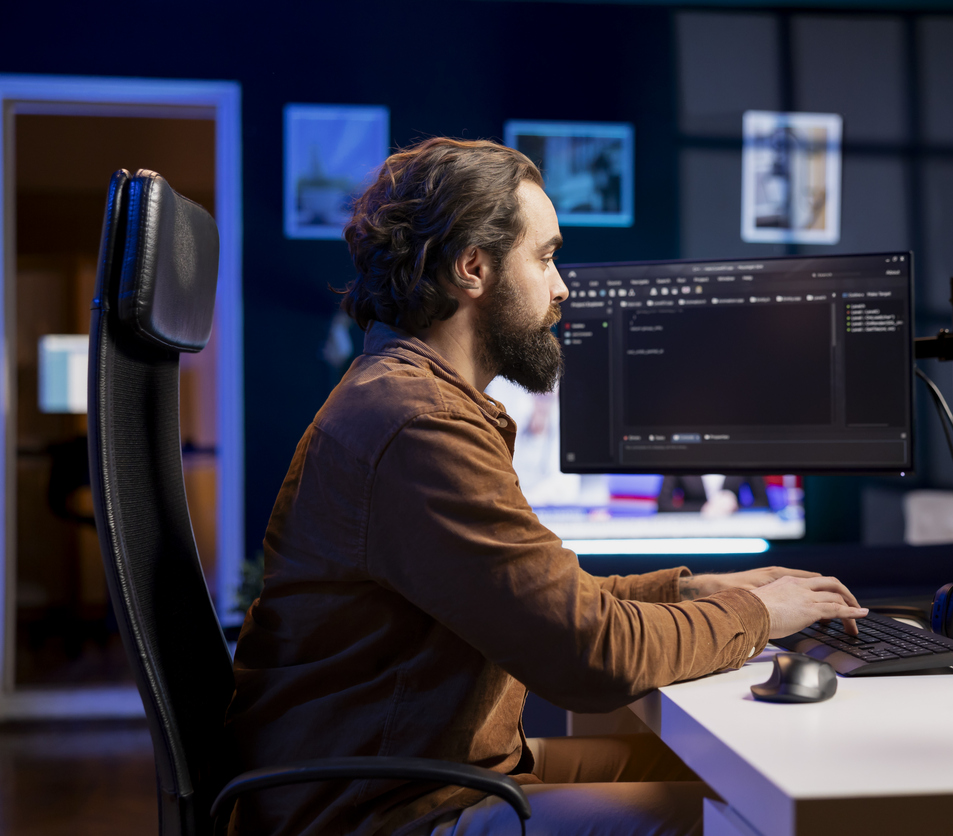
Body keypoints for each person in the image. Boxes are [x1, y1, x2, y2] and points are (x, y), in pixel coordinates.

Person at [223, 137, 867, 836]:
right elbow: (590, 658)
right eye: (546, 256)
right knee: (742, 822)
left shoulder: (412, 399)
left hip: (418, 773)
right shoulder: (418, 425)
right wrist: (759, 616)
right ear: (473, 268)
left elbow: (541, 601)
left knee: (712, 776)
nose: (562, 287)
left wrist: (696, 590)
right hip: (383, 810)